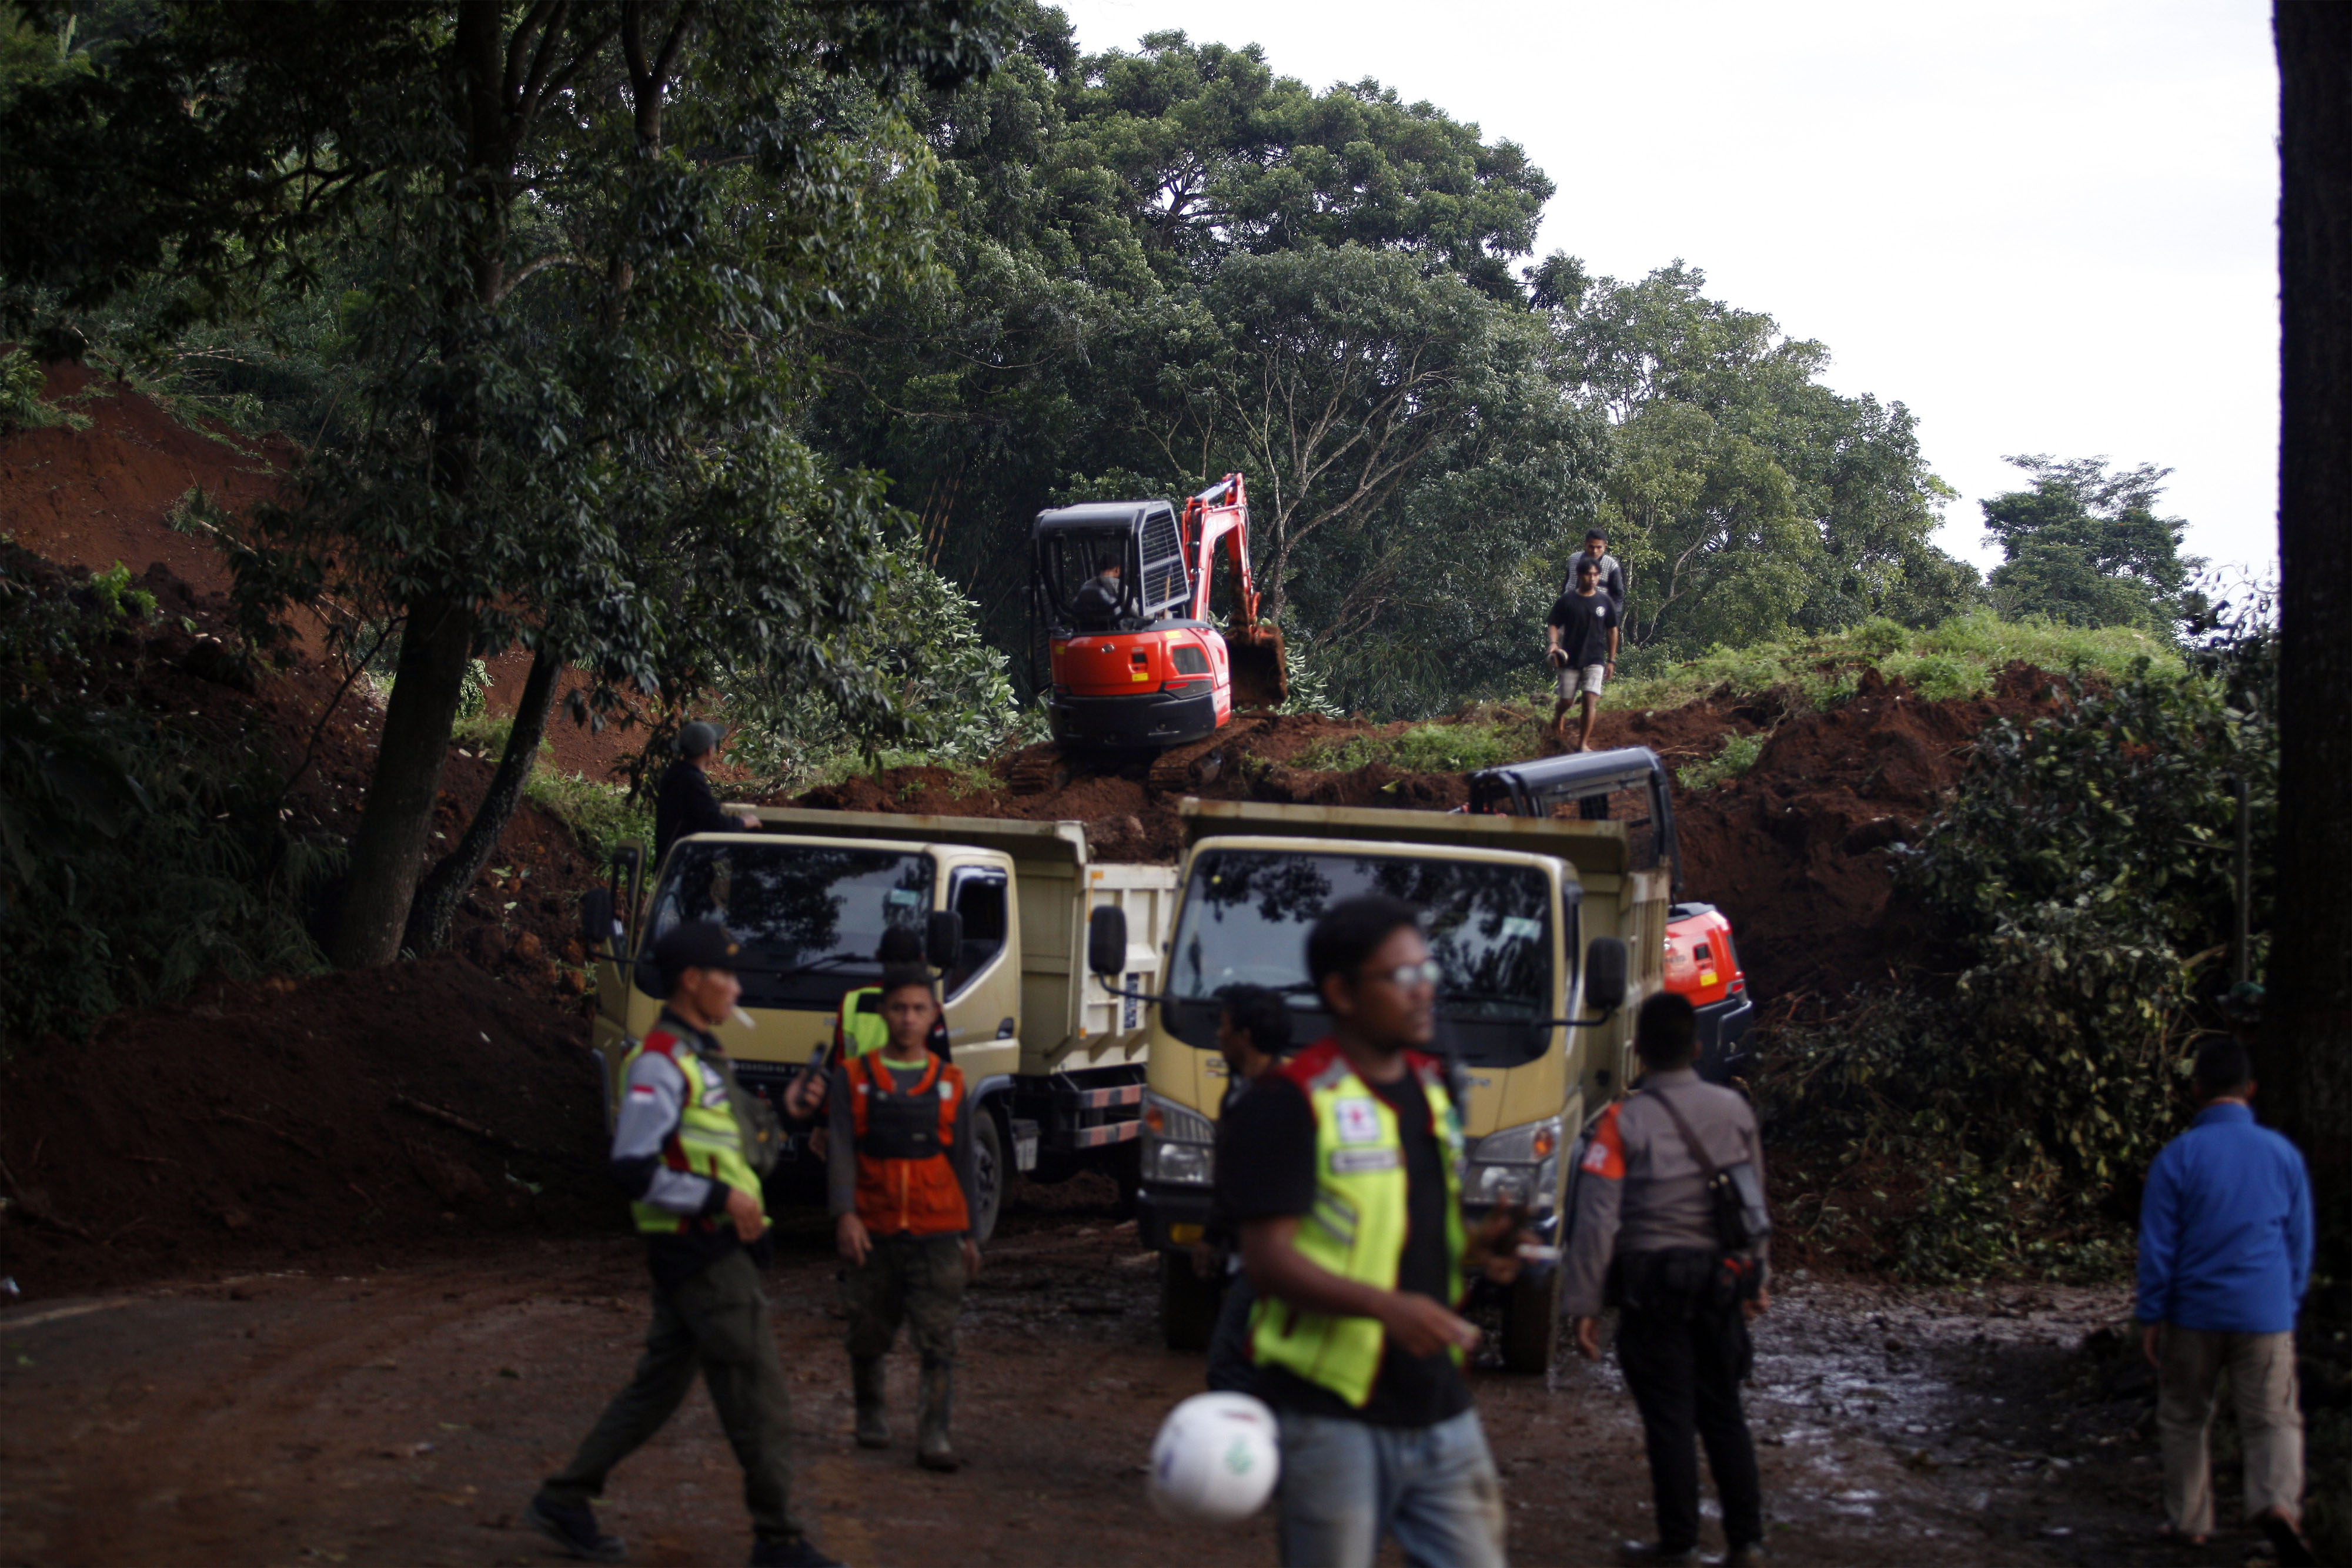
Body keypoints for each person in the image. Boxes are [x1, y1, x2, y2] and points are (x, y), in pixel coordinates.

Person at [1220, 895, 1528, 1568]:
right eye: (1401, 977)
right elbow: (1266, 1262)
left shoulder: (1430, 1088)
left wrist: (1478, 1251)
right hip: (1329, 1413)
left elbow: (1407, 1229)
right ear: (1341, 992)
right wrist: (1385, 1308)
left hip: (1438, 1405)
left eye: (1428, 972)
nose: (1425, 992)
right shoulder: (1288, 1104)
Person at [528, 921, 839, 1568]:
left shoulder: (701, 1056)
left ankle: (565, 1498)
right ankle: (778, 1541)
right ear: (693, 982)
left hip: (703, 1252)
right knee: (758, 1395)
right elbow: (634, 1166)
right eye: (727, 975)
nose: (737, 986)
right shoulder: (660, 1062)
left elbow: (738, 1145)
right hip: (703, 1254)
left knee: (657, 1389)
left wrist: (788, 1109)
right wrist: (722, 1199)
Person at [1562, 992, 1769, 1567]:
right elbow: (1752, 1201)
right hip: (1721, 1284)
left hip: (1653, 1292)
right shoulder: (1734, 1112)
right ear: (1696, 1049)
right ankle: (1747, 1543)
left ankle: (1678, 1544)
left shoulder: (1620, 1123)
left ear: (1639, 1053)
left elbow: (1598, 1217)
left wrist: (1583, 1302)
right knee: (1724, 1411)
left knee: (1670, 1420)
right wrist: (1757, 1278)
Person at [2136, 1037, 2315, 1564]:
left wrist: (2152, 1312)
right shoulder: (2284, 1156)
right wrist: (2288, 1301)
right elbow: (2299, 1242)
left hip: (2193, 1313)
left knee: (2185, 1415)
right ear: (2251, 1089)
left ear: (2195, 1091)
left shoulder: (2178, 1157)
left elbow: (2159, 1246)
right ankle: (2278, 1504)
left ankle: (2190, 1520)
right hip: (2265, 1312)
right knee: (2273, 1418)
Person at [829, 964, 983, 1472]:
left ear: (934, 1014)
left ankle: (934, 1432)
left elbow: (964, 1159)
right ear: (884, 1011)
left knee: (939, 1334)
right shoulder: (852, 1077)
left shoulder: (953, 1082)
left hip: (937, 1227)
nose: (909, 1018)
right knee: (868, 1327)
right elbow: (842, 1150)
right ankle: (871, 1411)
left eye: (919, 1008)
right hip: (873, 1226)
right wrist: (845, 1214)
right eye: (899, 1008)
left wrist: (970, 1236)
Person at [1197, 984, 1295, 1393]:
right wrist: (1213, 1236)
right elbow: (1230, 1179)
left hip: (1273, 1261)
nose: (1218, 1036)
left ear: (1246, 1036)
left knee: (1226, 1365)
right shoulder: (1237, 1094)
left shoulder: (1284, 1101)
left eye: (1224, 1027)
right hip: (1245, 1257)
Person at [654, 720, 760, 865]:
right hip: (684, 867)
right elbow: (713, 821)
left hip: (671, 864)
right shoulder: (691, 780)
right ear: (710, 750)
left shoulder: (674, 773)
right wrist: (743, 822)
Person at [1547, 557, 1620, 750]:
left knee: (1590, 700)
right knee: (1566, 701)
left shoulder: (1605, 602)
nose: (1593, 578)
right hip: (1570, 658)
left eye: (1596, 575)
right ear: (1580, 576)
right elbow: (1554, 623)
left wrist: (1611, 660)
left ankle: (1582, 744)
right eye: (1589, 574)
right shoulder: (1567, 600)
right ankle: (1559, 715)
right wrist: (1554, 644)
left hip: (1595, 658)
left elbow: (1612, 630)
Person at [1564, 528, 1627, 607]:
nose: (1595, 551)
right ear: (1585, 545)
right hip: (1571, 609)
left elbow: (1618, 596)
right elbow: (1566, 584)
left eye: (1599, 547)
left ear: (1605, 547)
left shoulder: (1611, 565)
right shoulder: (1574, 559)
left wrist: (1612, 617)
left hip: (1597, 612)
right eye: (1591, 547)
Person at [1070, 557, 1125, 626]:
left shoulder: (1086, 585)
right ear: (1117, 569)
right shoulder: (1120, 586)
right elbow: (1135, 611)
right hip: (1115, 629)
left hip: (1086, 629)